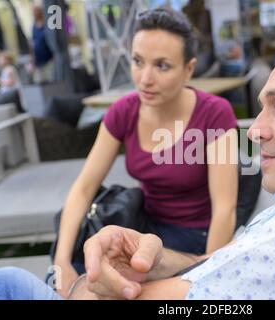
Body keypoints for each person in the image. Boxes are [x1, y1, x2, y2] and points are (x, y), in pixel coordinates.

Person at [0, 37, 275, 300]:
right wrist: (158, 261)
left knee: (2, 284)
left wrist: (84, 283)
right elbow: (221, 265)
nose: (254, 132)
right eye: (138, 62)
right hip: (175, 247)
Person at [51, 8, 238, 298]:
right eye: (138, 62)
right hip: (143, 227)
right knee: (86, 270)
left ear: (189, 69)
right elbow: (84, 187)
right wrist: (61, 261)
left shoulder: (215, 114)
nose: (145, 79)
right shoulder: (124, 111)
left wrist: (206, 274)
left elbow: (225, 209)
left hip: (196, 237)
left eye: (162, 66)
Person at [27, 5, 54, 84]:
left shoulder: (48, 24)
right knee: (39, 81)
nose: (34, 13)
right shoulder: (34, 26)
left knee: (51, 80)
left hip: (49, 58)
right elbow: (32, 44)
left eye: (36, 11)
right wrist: (32, 60)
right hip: (38, 60)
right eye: (33, 11)